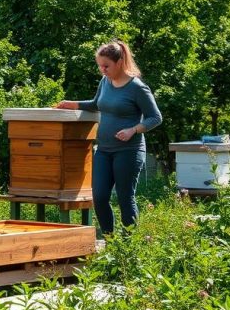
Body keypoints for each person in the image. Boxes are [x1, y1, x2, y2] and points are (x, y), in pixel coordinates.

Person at [56, 40, 162, 235]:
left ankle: (129, 244)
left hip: (129, 151)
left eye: (106, 66)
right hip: (104, 149)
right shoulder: (105, 81)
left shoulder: (137, 87)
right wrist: (74, 104)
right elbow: (97, 104)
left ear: (120, 61)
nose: (102, 70)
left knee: (124, 197)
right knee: (100, 196)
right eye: (100, 66)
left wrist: (133, 130)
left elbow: (155, 117)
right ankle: (109, 239)